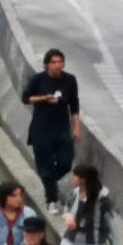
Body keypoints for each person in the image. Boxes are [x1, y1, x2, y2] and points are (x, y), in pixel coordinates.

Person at [20, 49, 80, 211]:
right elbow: (26, 97)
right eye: (54, 62)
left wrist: (76, 127)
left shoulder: (69, 80)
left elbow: (74, 104)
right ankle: (51, 199)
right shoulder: (39, 79)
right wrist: (43, 98)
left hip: (61, 128)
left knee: (65, 162)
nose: (57, 65)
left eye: (60, 62)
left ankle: (48, 180)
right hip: (41, 128)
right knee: (44, 164)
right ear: (47, 64)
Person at [60, 163, 121, 245]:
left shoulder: (103, 200)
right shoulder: (74, 193)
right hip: (71, 238)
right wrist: (67, 217)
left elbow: (112, 225)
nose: (73, 178)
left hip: (94, 242)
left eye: (75, 176)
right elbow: (67, 209)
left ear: (83, 180)